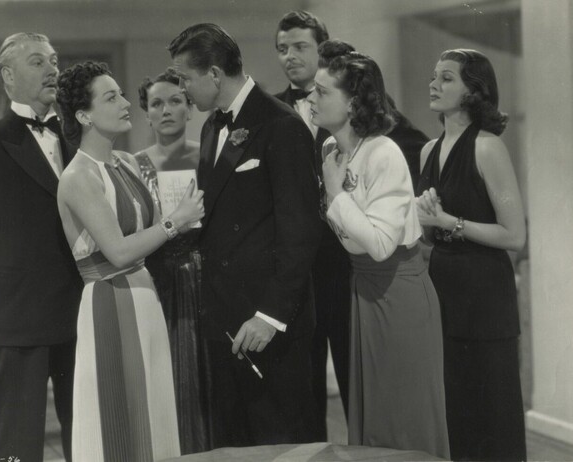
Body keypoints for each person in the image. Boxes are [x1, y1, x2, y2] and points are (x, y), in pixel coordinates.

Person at [274, 11, 429, 439]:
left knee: (387, 402)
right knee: (343, 403)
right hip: (321, 272)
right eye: (282, 49)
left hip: (369, 275)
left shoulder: (380, 144)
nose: (289, 57)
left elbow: (379, 236)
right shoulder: (313, 134)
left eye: (300, 47)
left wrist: (341, 194)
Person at [169, 23, 321, 448]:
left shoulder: (281, 124)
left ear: (215, 75)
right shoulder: (210, 128)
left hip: (267, 320)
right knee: (234, 443)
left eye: (185, 78)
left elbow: (301, 231)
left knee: (281, 442)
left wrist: (269, 316)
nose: (182, 90)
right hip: (224, 315)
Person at [56, 61, 204, 461]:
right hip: (110, 300)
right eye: (111, 98)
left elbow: (150, 234)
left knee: (153, 414)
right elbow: (119, 251)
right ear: (84, 116)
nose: (125, 104)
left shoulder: (125, 161)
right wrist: (176, 221)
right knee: (120, 419)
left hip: (145, 296)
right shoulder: (77, 177)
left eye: (121, 94)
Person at [308, 40, 450, 459]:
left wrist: (335, 192)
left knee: (404, 419)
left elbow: (381, 244)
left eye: (322, 92)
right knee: (376, 419)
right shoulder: (332, 149)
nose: (312, 99)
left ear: (353, 103)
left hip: (398, 293)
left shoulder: (384, 152)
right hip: (365, 291)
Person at [0, 33, 83, 462]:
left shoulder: (78, 137)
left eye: (54, 60)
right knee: (17, 442)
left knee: (86, 435)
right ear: (7, 75)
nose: (52, 69)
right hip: (18, 311)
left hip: (80, 306)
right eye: (38, 62)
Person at [417, 49, 526, 461]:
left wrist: (450, 221)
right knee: (455, 412)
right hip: (443, 289)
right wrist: (426, 220)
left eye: (446, 78)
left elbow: (514, 235)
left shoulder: (487, 148)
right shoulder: (428, 151)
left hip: (485, 295)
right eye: (434, 76)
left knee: (492, 415)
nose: (434, 84)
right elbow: (431, 232)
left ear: (472, 91)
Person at [135, 68, 211, 454]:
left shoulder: (210, 158)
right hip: (156, 281)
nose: (166, 110)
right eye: (156, 104)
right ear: (147, 114)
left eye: (175, 101)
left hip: (208, 281)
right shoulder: (132, 166)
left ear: (190, 108)